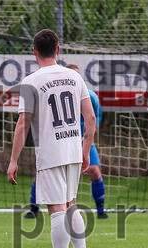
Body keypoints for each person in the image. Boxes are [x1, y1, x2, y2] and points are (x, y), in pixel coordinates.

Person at [8, 29, 96, 248]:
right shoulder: (74, 77)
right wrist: (85, 149)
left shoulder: (30, 81)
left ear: (34, 52)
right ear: (58, 49)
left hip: (50, 153)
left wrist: (13, 160)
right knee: (71, 206)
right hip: (73, 150)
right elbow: (89, 118)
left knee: (57, 209)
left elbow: (23, 123)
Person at [26, 63, 107, 219]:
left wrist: (86, 141)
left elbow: (93, 121)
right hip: (60, 140)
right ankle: (33, 209)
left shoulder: (91, 97)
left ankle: (100, 209)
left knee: (94, 170)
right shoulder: (54, 93)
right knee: (42, 172)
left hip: (83, 139)